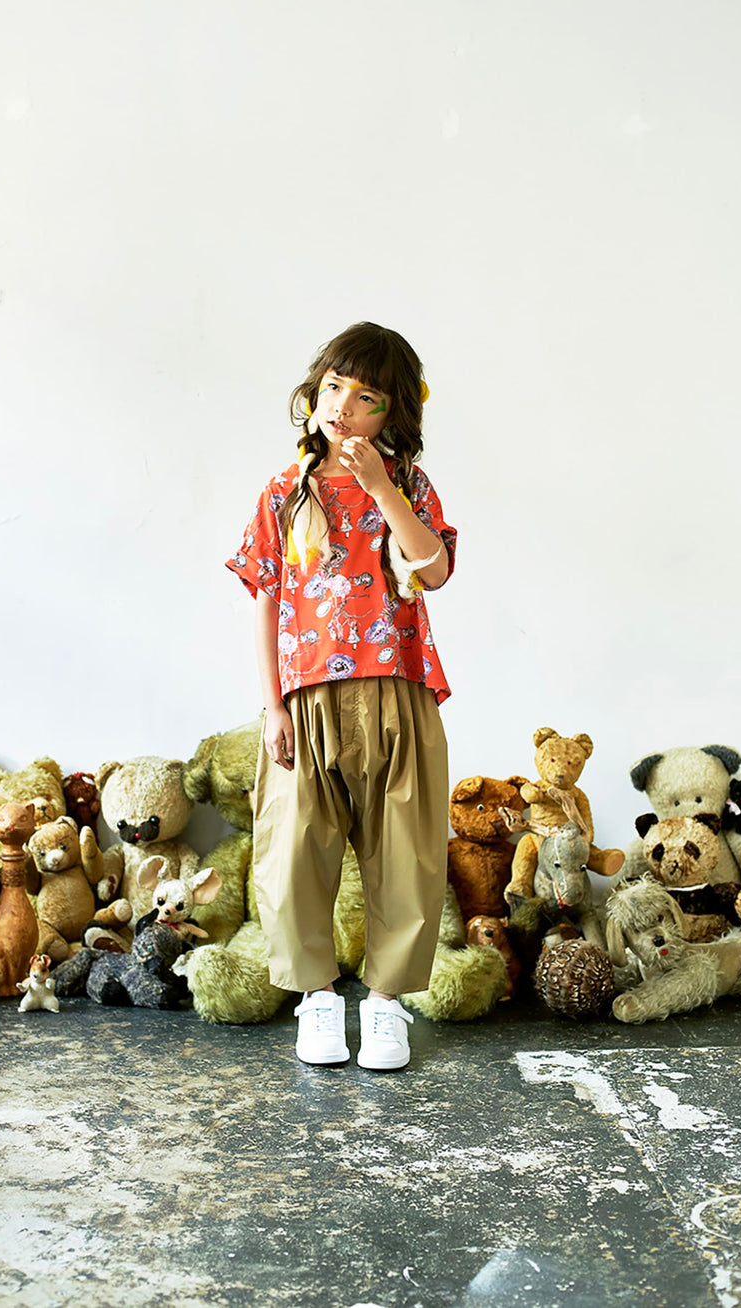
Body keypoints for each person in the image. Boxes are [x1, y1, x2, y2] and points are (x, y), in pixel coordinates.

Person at [226, 321, 455, 1071]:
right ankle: (318, 998)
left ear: (394, 413)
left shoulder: (409, 486)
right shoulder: (283, 491)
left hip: (397, 690)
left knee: (406, 852)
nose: (342, 407)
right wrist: (272, 706)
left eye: (366, 397)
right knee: (293, 850)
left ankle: (385, 1005)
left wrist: (383, 488)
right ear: (314, 391)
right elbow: (266, 599)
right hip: (307, 696)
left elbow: (433, 570)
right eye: (333, 387)